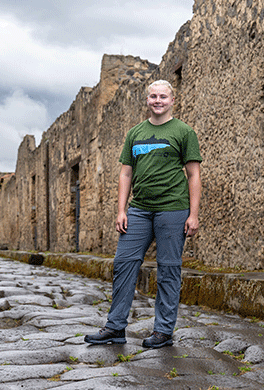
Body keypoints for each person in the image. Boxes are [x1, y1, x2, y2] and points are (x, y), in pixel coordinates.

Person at [84, 79, 202, 348]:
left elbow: (194, 174)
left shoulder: (184, 132)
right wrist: (121, 210)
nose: (157, 101)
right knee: (124, 264)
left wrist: (193, 214)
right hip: (139, 210)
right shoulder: (135, 133)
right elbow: (126, 173)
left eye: (162, 96)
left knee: (169, 269)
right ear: (146, 100)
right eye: (152, 96)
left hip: (173, 208)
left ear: (173, 100)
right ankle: (115, 327)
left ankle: (163, 331)